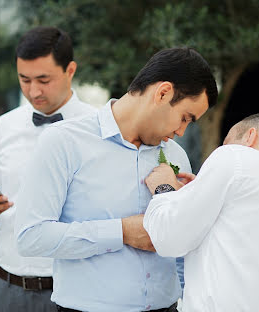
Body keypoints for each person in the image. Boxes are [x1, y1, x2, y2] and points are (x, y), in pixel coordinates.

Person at [14, 47, 218, 312]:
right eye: (185, 117)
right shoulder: (63, 142)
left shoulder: (175, 155)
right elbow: (31, 236)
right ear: (163, 92)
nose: (181, 131)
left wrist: (190, 210)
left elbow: (180, 248)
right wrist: (121, 232)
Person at [0, 26, 96, 312]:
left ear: (70, 70)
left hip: (74, 292)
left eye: (43, 79)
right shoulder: (2, 127)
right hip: (8, 290)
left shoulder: (99, 128)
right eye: (24, 80)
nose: (33, 91)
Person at [143, 112, 259, 312]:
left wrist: (164, 190)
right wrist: (200, 194)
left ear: (250, 137)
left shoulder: (234, 156)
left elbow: (168, 238)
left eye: (226, 142)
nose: (222, 148)